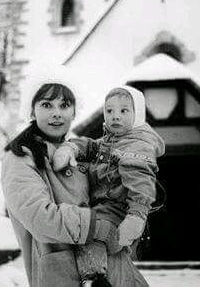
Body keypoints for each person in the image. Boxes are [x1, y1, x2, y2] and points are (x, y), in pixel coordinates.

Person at [1, 80, 149, 287]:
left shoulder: (82, 150)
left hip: (115, 270)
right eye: (46, 105)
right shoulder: (21, 156)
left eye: (64, 105)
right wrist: (98, 227)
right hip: (63, 273)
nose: (56, 113)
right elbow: (39, 216)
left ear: (74, 112)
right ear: (32, 111)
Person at [52, 85, 165, 284]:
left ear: (137, 114)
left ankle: (94, 278)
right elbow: (89, 145)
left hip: (120, 212)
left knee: (90, 232)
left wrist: (136, 216)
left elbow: (141, 182)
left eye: (124, 111)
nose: (115, 116)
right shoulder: (108, 142)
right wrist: (69, 148)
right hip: (103, 207)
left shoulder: (137, 145)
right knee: (119, 267)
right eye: (109, 110)